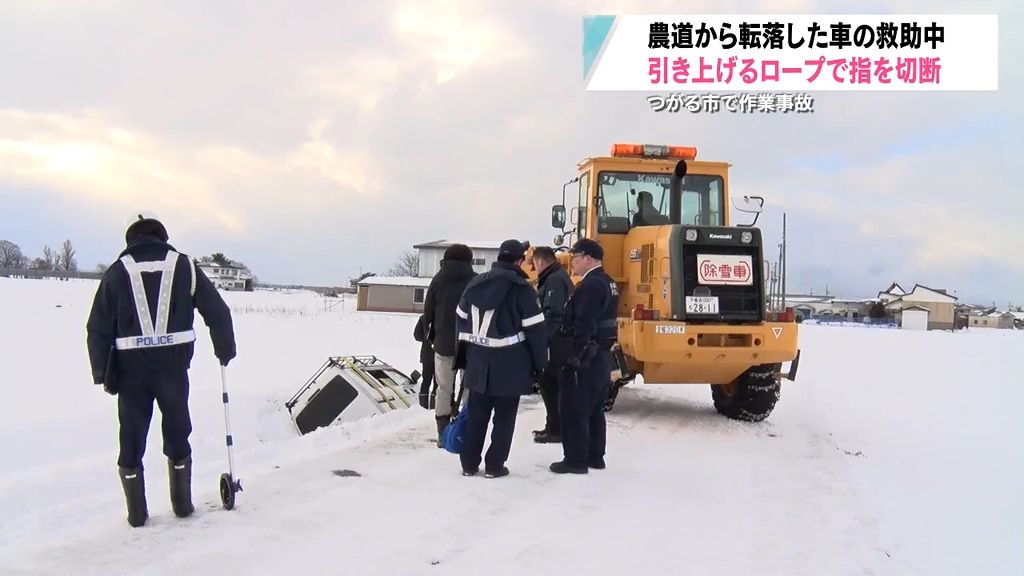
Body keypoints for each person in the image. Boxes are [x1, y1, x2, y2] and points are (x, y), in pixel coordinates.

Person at [86, 212, 236, 527]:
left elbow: (97, 327)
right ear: (161, 236)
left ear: (131, 238)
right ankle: (182, 506)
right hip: (173, 370)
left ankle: (137, 516)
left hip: (131, 375)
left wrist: (103, 374)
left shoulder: (117, 272)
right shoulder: (185, 267)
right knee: (178, 430)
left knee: (131, 437)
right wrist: (224, 349)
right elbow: (218, 312)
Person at [454, 239, 547, 478]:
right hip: (510, 366)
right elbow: (536, 331)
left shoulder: (474, 284)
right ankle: (494, 466)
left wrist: (465, 356)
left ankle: (469, 464)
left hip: (477, 364)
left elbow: (460, 319)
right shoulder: (521, 289)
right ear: (518, 261)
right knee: (504, 420)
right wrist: (540, 365)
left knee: (476, 416)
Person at [549, 238, 619, 474]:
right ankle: (594, 456)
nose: (572, 262)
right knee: (594, 407)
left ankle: (576, 460)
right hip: (601, 354)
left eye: (575, 258)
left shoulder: (590, 285)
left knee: (574, 408)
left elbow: (584, 321)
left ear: (588, 258)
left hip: (587, 355)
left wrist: (575, 354)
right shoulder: (608, 282)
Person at [422, 243, 476, 447]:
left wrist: (433, 336)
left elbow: (428, 313)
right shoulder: (475, 280)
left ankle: (443, 434)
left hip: (443, 344)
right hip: (469, 343)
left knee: (443, 389)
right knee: (469, 387)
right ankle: (466, 430)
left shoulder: (438, 280)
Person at [530, 246, 573, 444]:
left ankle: (556, 429)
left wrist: (541, 341)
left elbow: (553, 314)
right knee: (550, 386)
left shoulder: (554, 280)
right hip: (559, 340)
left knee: (550, 385)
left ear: (540, 261)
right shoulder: (556, 276)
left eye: (534, 264)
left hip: (556, 342)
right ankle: (553, 426)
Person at [413, 314, 436, 409]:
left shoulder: (423, 318)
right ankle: (435, 405)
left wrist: (426, 339)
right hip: (440, 354)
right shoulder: (442, 317)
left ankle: (423, 405)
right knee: (438, 382)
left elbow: (417, 335)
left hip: (426, 355)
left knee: (426, 380)